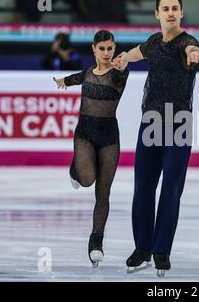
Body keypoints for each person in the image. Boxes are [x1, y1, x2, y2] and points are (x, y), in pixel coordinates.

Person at [112, 0, 199, 277]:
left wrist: (194, 54)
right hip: (150, 123)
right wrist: (123, 58)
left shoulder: (187, 42)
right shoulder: (153, 42)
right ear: (157, 14)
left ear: (181, 12)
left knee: (171, 189)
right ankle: (142, 248)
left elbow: (190, 50)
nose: (171, 13)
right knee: (142, 188)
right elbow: (137, 52)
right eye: (165, 8)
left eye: (175, 8)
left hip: (178, 123)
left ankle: (161, 250)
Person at [52, 30, 129, 267]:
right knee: (86, 179)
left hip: (109, 137)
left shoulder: (120, 73)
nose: (107, 53)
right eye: (102, 48)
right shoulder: (87, 72)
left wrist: (123, 61)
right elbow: (78, 77)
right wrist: (63, 81)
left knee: (103, 193)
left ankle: (96, 241)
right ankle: (75, 171)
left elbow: (118, 75)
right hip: (84, 133)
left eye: (110, 48)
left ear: (114, 49)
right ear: (94, 49)